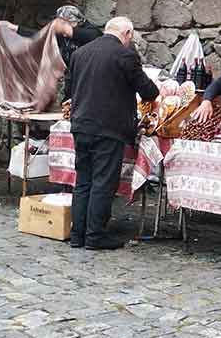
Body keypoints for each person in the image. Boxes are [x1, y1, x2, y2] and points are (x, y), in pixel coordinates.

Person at [66, 17, 159, 250]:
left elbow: (70, 90)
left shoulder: (80, 54)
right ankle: (95, 236)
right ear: (127, 33)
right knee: (102, 183)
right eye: (131, 37)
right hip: (108, 128)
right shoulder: (124, 55)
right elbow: (148, 90)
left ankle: (78, 235)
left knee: (83, 181)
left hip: (81, 125)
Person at [0, 5, 102, 67]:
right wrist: (14, 28)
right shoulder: (63, 35)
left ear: (75, 23)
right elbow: (40, 36)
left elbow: (87, 35)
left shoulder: (92, 33)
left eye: (64, 23)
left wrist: (65, 28)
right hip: (72, 77)